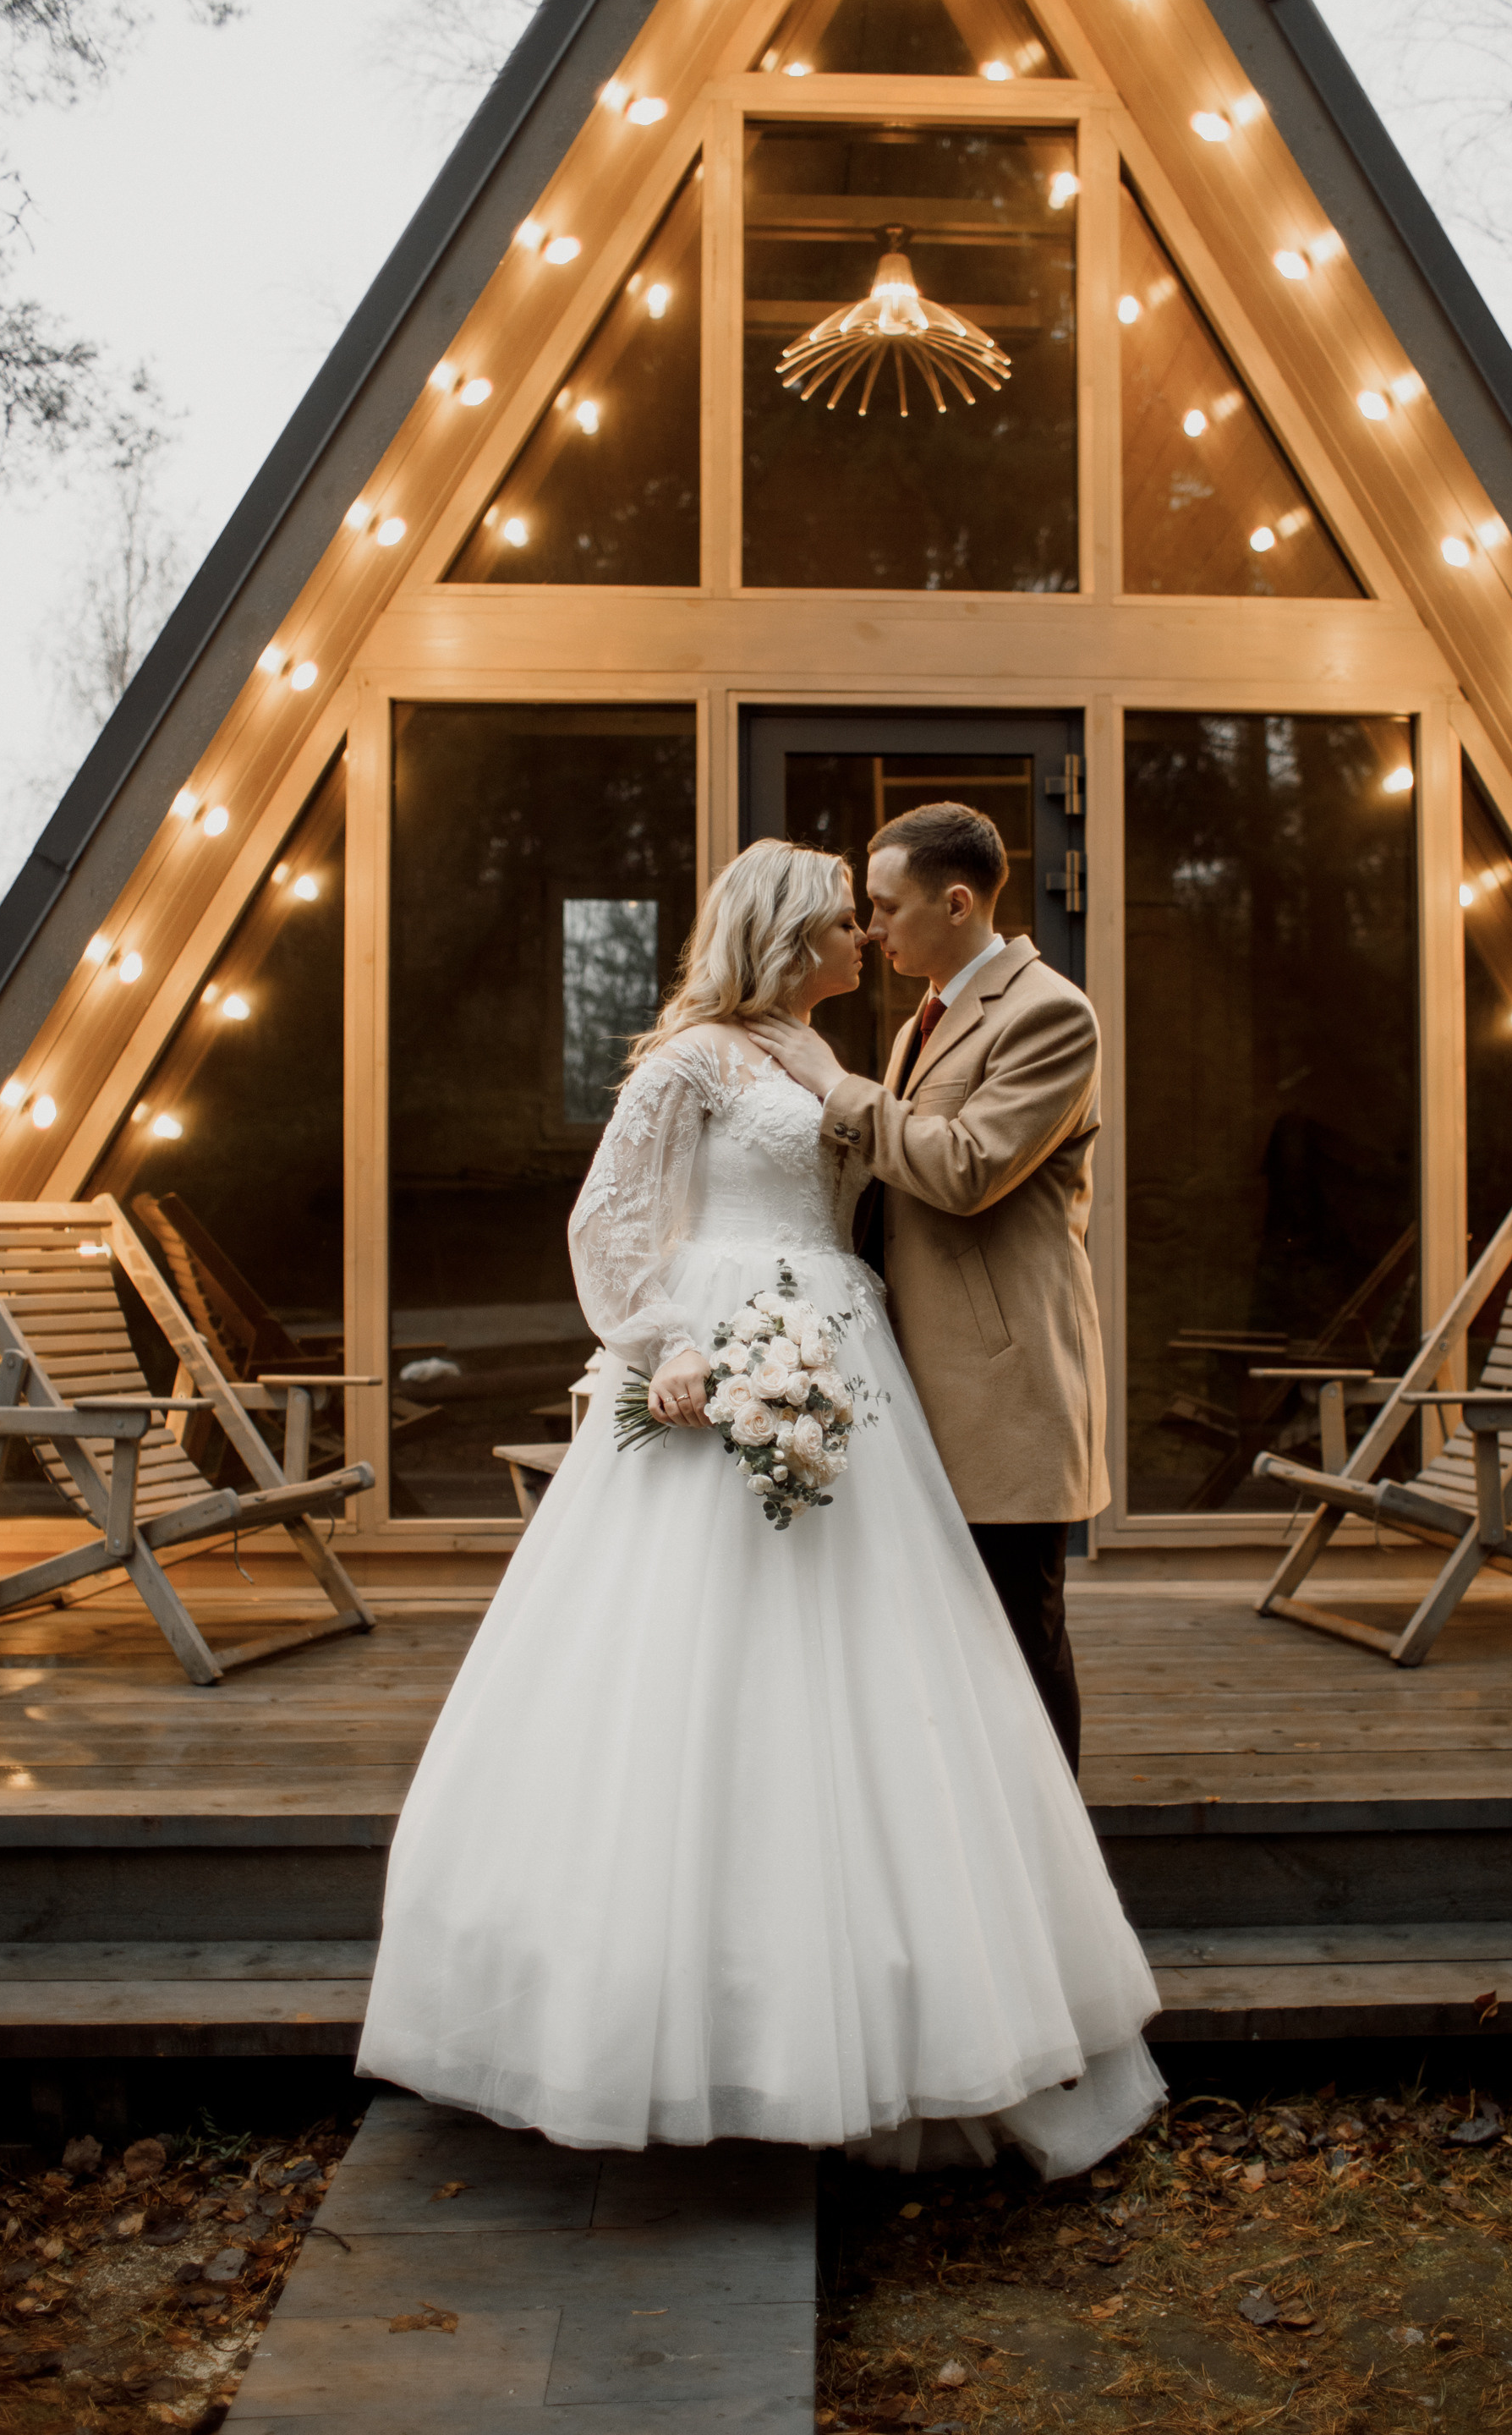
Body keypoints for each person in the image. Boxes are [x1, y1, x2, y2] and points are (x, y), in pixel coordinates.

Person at [358, 840, 1161, 2177]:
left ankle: (901, 1981)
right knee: (684, 1662)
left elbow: (913, 1183)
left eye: (876, 912)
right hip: (718, 1359)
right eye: (849, 921)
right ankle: (674, 2007)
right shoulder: (693, 1058)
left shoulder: (848, 1053)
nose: (868, 934)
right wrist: (670, 1339)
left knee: (879, 1659)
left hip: (851, 1359)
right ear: (795, 938)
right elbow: (607, 1224)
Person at [753, 803, 1104, 1774]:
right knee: (949, 1644)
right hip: (917, 1379)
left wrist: (832, 1083)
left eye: (885, 906)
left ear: (956, 902)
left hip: (1005, 1389)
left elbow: (963, 1168)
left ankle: (1050, 1877)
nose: (868, 928)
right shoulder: (926, 1016)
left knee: (1018, 1642)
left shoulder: (1051, 1014)